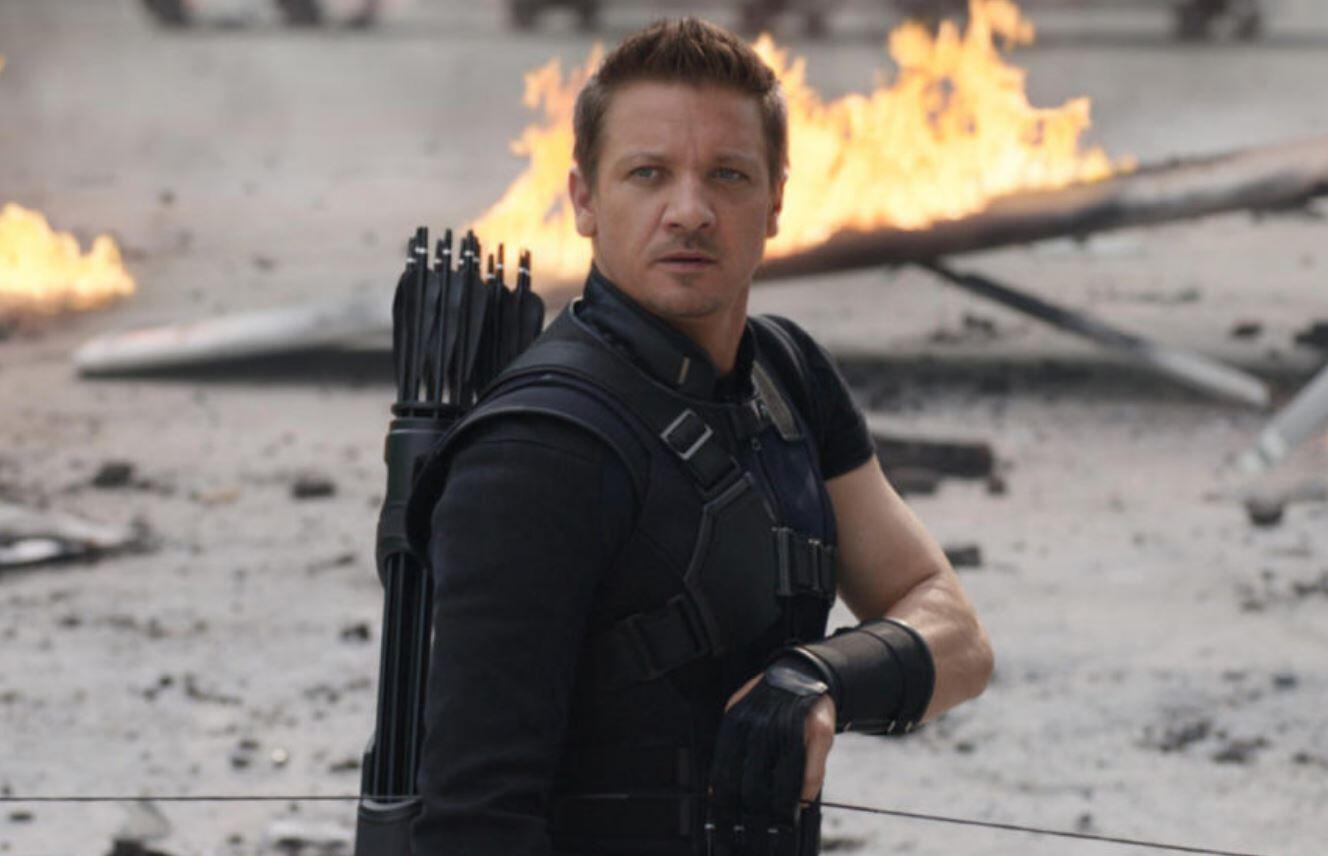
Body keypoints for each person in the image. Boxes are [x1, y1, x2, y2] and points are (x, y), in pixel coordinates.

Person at [406, 17, 993, 856]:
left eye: (728, 175)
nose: (690, 212)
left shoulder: (787, 376)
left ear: (776, 202)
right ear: (583, 199)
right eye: (648, 174)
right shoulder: (536, 450)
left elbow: (958, 635)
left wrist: (819, 679)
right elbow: (473, 824)